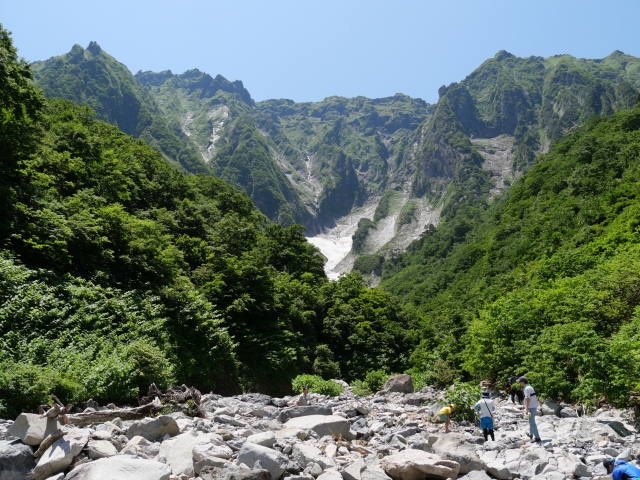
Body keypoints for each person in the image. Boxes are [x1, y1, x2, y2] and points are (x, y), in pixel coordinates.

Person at [519, 376, 540, 442]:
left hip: (531, 407)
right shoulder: (530, 387)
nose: (519, 383)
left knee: (532, 422)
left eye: (520, 382)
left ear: (523, 382)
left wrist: (527, 409)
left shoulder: (526, 388)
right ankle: (531, 434)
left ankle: (537, 438)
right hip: (534, 406)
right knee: (531, 421)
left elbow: (528, 399)